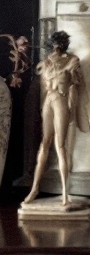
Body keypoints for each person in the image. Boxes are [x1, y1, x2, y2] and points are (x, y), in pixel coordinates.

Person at [23, 31, 90, 208]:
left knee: (60, 146)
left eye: (59, 44)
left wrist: (72, 105)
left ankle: (65, 194)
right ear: (50, 45)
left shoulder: (72, 61)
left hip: (61, 101)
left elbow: (77, 86)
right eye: (54, 44)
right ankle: (35, 188)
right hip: (48, 102)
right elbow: (42, 90)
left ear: (63, 45)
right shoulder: (45, 64)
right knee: (44, 143)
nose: (56, 47)